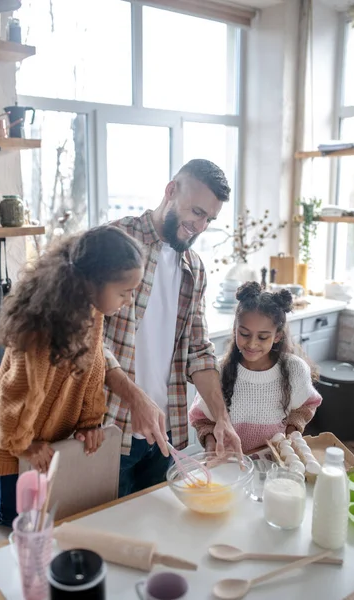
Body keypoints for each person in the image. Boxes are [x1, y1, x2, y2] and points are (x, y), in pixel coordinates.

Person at [0, 226, 144, 552]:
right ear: (92, 281)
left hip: (54, 433)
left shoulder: (94, 312)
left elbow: (95, 367)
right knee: (10, 512)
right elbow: (13, 399)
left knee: (44, 506)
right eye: (124, 292)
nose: (128, 301)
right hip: (12, 439)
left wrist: (90, 422)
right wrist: (25, 445)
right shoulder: (40, 331)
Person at [103, 159, 242, 498]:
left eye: (209, 218)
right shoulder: (114, 241)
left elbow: (199, 350)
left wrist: (222, 418)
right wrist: (137, 398)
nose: (200, 225)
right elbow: (85, 340)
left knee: (154, 531)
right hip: (110, 429)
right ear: (170, 191)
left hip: (165, 435)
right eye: (196, 211)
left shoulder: (194, 268)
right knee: (106, 534)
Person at [189, 282, 322, 454]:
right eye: (244, 334)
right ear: (235, 329)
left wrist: (291, 437)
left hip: (276, 462)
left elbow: (305, 406)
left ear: (277, 336)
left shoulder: (294, 369)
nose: (252, 343)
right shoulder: (217, 372)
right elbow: (202, 420)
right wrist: (211, 446)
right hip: (231, 464)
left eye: (263, 337)